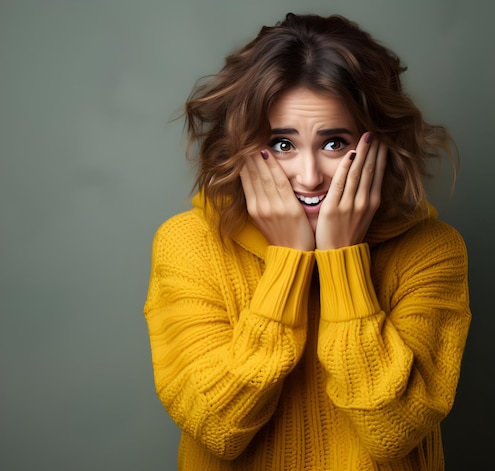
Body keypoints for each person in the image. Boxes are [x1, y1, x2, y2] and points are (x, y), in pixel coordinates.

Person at [144, 13, 471, 471]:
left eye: (334, 143)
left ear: (376, 145)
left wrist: (341, 260)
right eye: (282, 145)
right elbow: (216, 424)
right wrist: (290, 261)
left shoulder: (431, 251)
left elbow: (395, 429)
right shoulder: (188, 244)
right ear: (242, 144)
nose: (310, 176)